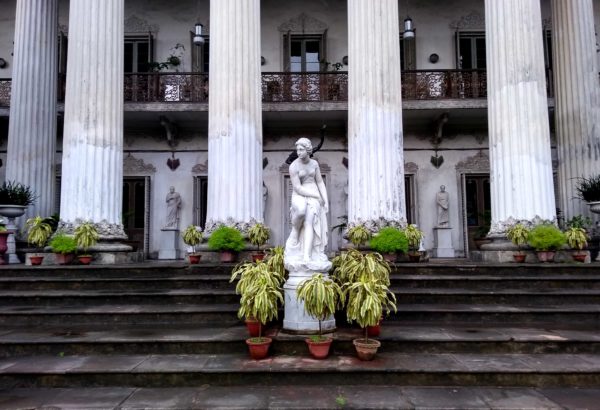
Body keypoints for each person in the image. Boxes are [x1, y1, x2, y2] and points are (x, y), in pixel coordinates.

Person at [285, 138, 329, 267]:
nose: (298, 152)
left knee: (309, 222)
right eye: (297, 149)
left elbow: (320, 182)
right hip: (299, 193)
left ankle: (307, 255)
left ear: (308, 150)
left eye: (301, 149)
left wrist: (325, 201)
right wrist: (316, 195)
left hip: (313, 191)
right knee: (301, 211)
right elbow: (298, 188)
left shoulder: (314, 164)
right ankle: (295, 229)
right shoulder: (293, 166)